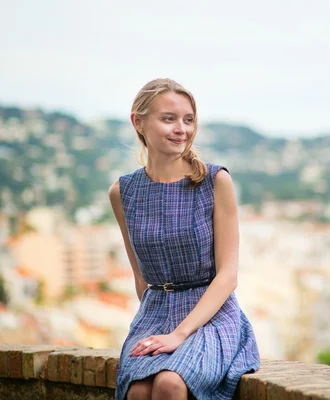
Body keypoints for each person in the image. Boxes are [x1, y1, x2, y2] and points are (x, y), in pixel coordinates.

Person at [108, 78, 261, 400]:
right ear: (138, 122)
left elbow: (228, 275)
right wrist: (157, 326)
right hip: (155, 314)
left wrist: (180, 333)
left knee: (170, 383)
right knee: (137, 391)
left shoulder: (214, 181)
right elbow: (141, 277)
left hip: (212, 316)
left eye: (188, 120)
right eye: (169, 119)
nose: (182, 129)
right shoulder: (123, 193)